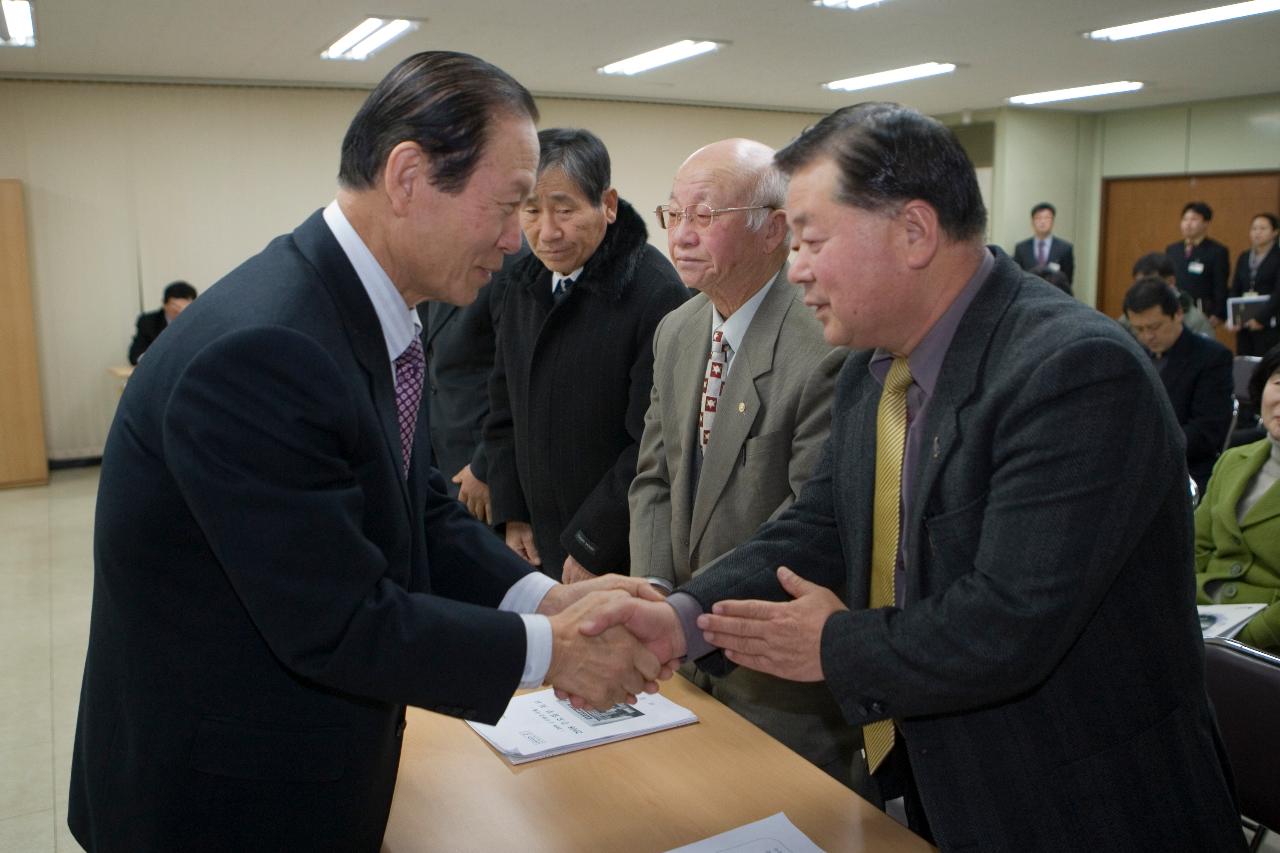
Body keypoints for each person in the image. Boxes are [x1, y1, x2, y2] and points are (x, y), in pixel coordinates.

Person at [578, 102, 1245, 852]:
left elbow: (1007, 620)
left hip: (1084, 805)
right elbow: (820, 525)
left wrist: (833, 646)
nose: (794, 266)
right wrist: (685, 614)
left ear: (915, 232)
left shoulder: (1075, 373)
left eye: (809, 239)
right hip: (943, 791)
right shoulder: (876, 367)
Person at [70, 52, 671, 853]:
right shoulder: (266, 350)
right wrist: (553, 655)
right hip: (226, 800)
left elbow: (417, 501)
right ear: (408, 176)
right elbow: (338, 620)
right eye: (506, 206)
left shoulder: (370, 308)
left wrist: (544, 601)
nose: (515, 240)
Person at [629, 138, 853, 780]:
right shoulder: (677, 330)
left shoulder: (825, 346)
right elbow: (654, 477)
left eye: (706, 215)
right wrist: (655, 597)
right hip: (679, 653)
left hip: (774, 678)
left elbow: (809, 518)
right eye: (674, 214)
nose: (683, 235)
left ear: (773, 230)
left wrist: (696, 611)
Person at [485, 128, 689, 581]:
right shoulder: (523, 283)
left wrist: (593, 541)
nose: (547, 231)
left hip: (613, 553)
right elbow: (503, 407)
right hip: (535, 542)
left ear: (608, 205)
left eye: (565, 209)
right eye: (531, 211)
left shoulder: (656, 295)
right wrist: (513, 512)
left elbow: (653, 446)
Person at [418, 242, 528, 521]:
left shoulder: (509, 258)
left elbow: (518, 381)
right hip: (433, 470)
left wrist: (484, 467)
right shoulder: (423, 256)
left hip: (481, 478)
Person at [1196, 345, 1280, 650]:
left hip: (1262, 644)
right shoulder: (1233, 460)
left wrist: (1240, 642)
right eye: (1278, 384)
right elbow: (1196, 546)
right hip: (1201, 619)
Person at [1124, 276, 1234, 491]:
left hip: (1184, 466)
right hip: (1132, 461)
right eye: (1139, 329)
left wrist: (1148, 448)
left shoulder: (1211, 358)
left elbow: (1207, 431)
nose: (1148, 336)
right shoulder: (1132, 353)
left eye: (1154, 327)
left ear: (1178, 314)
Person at [1166, 201, 1231, 325]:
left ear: (1206, 223)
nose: (1188, 224)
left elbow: (1220, 286)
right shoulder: (1172, 249)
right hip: (1174, 310)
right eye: (1185, 219)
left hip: (1201, 312)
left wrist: (1218, 314)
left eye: (1194, 219)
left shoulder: (1217, 251)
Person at [1119, 251, 1212, 336]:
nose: (1145, 291)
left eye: (1151, 284)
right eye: (1139, 284)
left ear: (1171, 281)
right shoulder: (1128, 318)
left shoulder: (1195, 321)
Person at [1227, 213, 1280, 357]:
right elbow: (1235, 287)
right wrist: (1233, 316)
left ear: (1275, 232)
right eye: (1254, 228)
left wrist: (1260, 318)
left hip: (1269, 322)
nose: (1257, 232)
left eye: (1263, 228)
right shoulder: (1244, 257)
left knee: (1267, 363)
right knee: (1245, 363)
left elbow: (1278, 293)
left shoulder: (1277, 256)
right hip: (1244, 322)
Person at [127, 280, 197, 364]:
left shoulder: (201, 322)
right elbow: (135, 355)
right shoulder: (148, 322)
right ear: (164, 304)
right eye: (176, 306)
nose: (181, 311)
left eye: (186, 307)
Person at [1012, 201, 1073, 283]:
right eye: (1038, 218)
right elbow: (1017, 277)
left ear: (1053, 221)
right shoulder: (1021, 248)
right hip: (1029, 293)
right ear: (1032, 222)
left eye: (1047, 218)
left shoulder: (1065, 248)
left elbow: (1067, 280)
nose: (1042, 222)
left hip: (1055, 293)